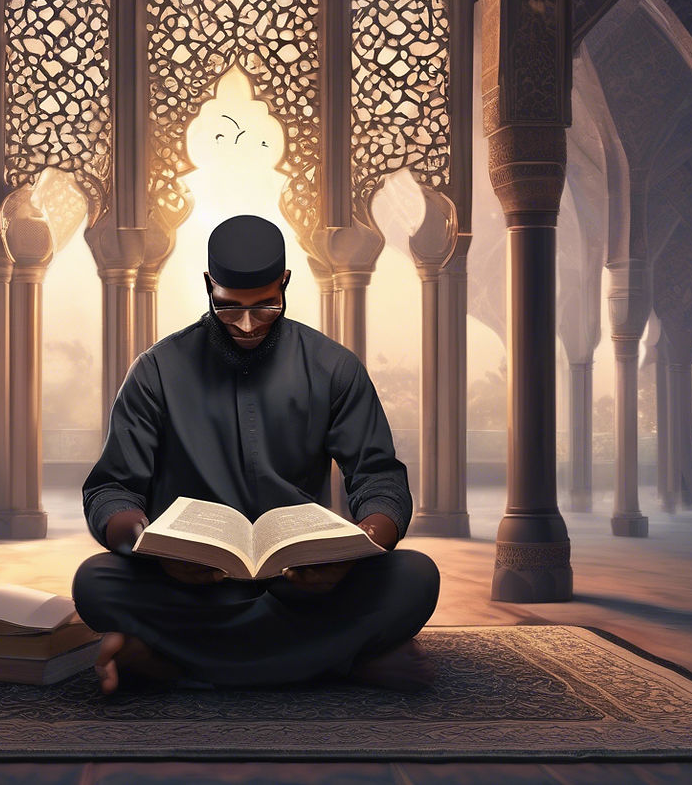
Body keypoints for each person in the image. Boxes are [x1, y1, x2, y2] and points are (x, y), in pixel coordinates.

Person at [72, 214, 439, 694]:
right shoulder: (156, 371)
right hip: (188, 587)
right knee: (96, 582)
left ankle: (173, 662)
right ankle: (342, 661)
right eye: (229, 307)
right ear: (209, 285)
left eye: (266, 306)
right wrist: (148, 545)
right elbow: (112, 488)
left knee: (414, 576)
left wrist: (358, 548)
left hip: (305, 585)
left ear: (285, 283)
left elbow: (380, 481)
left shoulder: (334, 368)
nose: (247, 325)